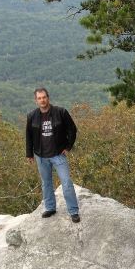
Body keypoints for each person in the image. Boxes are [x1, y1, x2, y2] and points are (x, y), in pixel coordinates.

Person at [25, 87, 80, 222]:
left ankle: (73, 211)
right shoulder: (32, 116)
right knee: (46, 183)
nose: (42, 100)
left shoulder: (61, 112)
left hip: (58, 154)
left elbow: (72, 129)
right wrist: (29, 154)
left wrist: (68, 147)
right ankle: (50, 208)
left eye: (44, 97)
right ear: (36, 100)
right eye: (39, 98)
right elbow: (29, 136)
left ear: (48, 98)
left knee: (66, 182)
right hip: (41, 156)